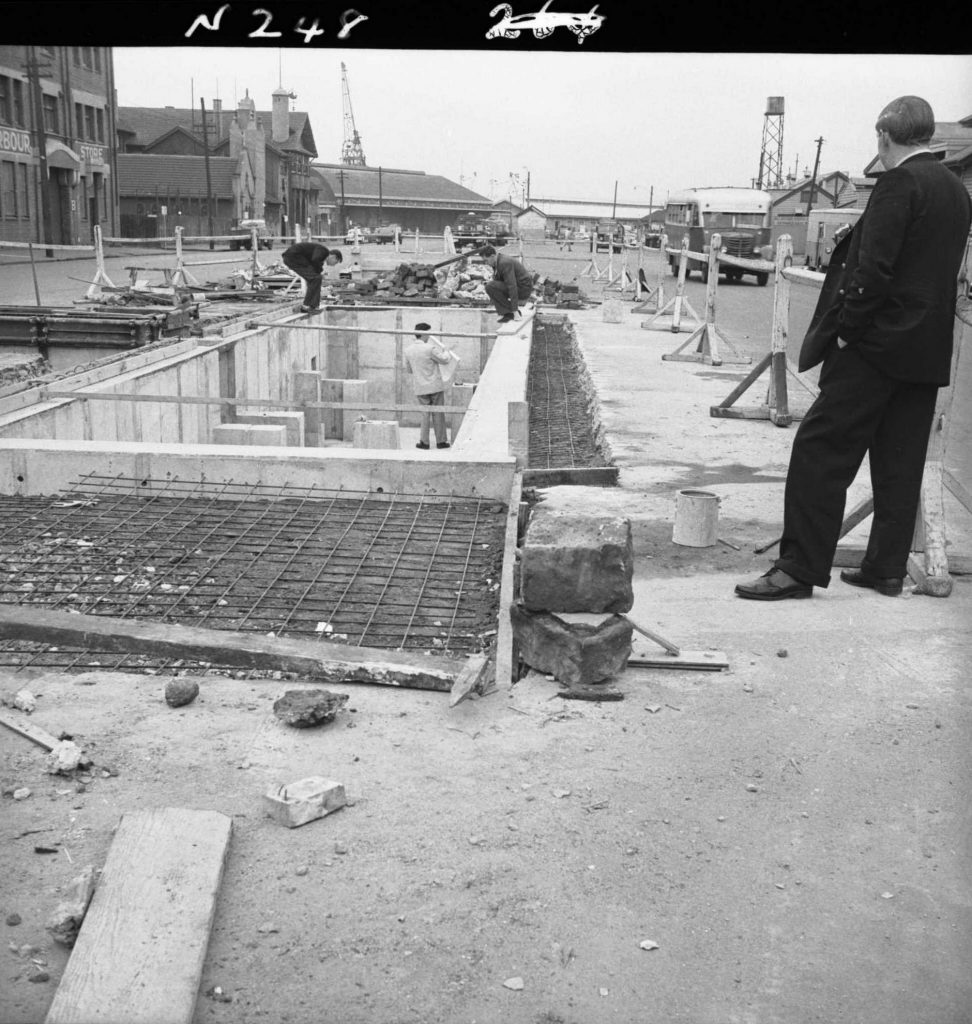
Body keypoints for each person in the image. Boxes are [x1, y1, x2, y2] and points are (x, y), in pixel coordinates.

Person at [736, 95, 972, 602]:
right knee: (899, 460)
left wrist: (847, 331)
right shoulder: (955, 189)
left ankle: (798, 570)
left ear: (885, 136)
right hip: (924, 352)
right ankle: (885, 568)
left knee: (819, 451)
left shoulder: (898, 184)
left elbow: (873, 269)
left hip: (873, 348)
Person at [403, 322, 452, 450]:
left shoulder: (408, 351)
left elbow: (408, 370)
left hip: (420, 387)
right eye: (428, 333)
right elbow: (445, 360)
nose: (429, 336)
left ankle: (424, 442)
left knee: (425, 414)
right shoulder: (429, 348)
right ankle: (441, 442)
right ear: (424, 334)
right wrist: (446, 351)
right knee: (438, 414)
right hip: (434, 386)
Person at [281, 241, 342, 312]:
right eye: (335, 262)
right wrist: (319, 271)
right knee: (316, 278)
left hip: (294, 258)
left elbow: (315, 264)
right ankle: (306, 306)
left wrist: (319, 272)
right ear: (333, 256)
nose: (334, 265)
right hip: (293, 257)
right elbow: (315, 260)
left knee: (316, 278)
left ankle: (314, 306)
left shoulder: (322, 256)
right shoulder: (324, 251)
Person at [480, 244, 534, 324]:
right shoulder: (497, 262)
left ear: (492, 256)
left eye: (486, 260)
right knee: (490, 287)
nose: (486, 263)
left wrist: (515, 310)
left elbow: (512, 286)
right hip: (520, 286)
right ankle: (507, 313)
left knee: (490, 286)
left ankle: (513, 312)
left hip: (523, 289)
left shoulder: (504, 263)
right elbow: (498, 280)